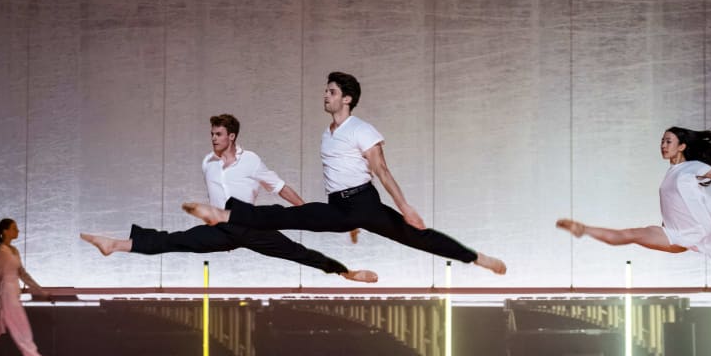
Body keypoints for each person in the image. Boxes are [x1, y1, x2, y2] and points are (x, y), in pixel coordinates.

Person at [182, 72, 506, 275]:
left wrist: (404, 206)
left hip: (364, 203)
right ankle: (226, 214)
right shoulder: (328, 134)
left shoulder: (361, 129)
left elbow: (380, 169)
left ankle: (478, 258)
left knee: (416, 238)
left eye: (332, 91)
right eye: (325, 90)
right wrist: (349, 225)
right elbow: (336, 177)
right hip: (339, 207)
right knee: (290, 216)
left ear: (347, 99)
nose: (326, 95)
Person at [80, 114, 376, 283]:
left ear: (231, 136)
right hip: (222, 231)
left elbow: (281, 187)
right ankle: (115, 244)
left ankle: (346, 272)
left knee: (297, 251)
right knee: (174, 241)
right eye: (212, 134)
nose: (213, 138)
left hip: (250, 224)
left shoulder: (251, 161)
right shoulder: (207, 162)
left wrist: (315, 215)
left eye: (218, 134)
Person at [556, 127, 711, 263]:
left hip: (698, 231)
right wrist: (703, 204)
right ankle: (584, 229)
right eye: (662, 141)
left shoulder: (693, 167)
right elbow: (681, 199)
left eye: (668, 141)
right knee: (631, 234)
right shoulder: (671, 174)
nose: (663, 145)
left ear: (682, 146)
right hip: (673, 234)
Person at [0, 218, 57, 356]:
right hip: (6, 297)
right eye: (14, 228)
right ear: (5, 231)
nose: (18, 231)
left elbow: (23, 275)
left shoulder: (13, 250)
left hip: (12, 296)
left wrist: (42, 292)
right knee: (23, 334)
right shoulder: (1, 252)